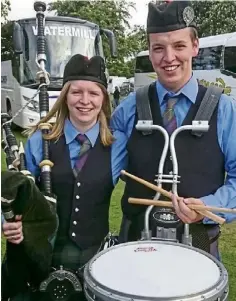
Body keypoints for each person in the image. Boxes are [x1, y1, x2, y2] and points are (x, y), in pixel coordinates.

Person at [111, 1, 236, 260]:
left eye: (179, 45)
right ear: (149, 50)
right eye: (158, 48)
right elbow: (101, 170)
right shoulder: (127, 110)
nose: (169, 58)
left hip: (199, 247)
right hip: (136, 246)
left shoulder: (224, 110)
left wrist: (210, 204)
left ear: (195, 46)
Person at [2, 54, 127, 301]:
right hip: (39, 257)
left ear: (103, 99)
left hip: (93, 262)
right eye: (76, 92)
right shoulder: (41, 140)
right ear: (65, 96)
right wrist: (6, 222)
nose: (84, 101)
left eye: (93, 93)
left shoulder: (119, 144)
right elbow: (16, 193)